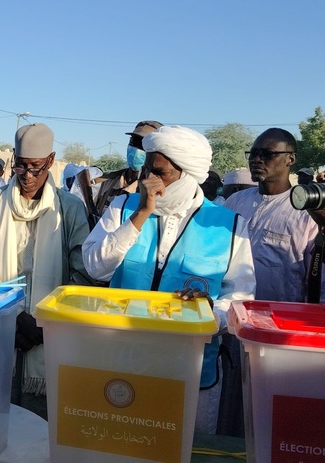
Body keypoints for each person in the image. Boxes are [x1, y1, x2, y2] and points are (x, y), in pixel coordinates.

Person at [82, 125, 255, 435]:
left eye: (159, 172)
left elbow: (242, 298)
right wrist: (141, 214)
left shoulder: (228, 224)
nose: (149, 179)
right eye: (147, 168)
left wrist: (210, 312)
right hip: (123, 362)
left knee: (186, 447)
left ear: (187, 175)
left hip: (191, 372)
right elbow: (96, 268)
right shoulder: (123, 208)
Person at [0, 123, 94, 420]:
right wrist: (12, 315)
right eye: (21, 167)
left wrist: (46, 321)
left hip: (49, 336)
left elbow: (81, 274)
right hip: (2, 327)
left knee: (41, 427)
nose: (27, 176)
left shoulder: (69, 209)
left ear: (51, 161)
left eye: (36, 168)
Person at [224, 128, 325, 303]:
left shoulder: (308, 210)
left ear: (290, 159)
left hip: (281, 319)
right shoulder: (235, 201)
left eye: (267, 154)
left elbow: (319, 279)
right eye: (253, 153)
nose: (257, 160)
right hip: (231, 313)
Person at [92, 120, 163, 215]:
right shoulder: (106, 182)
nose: (137, 149)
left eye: (143, 145)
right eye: (134, 142)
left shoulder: (156, 191)